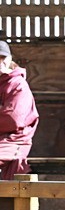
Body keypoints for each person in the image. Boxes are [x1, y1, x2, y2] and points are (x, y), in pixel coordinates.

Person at [0, 33, 39, 181]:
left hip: (14, 140)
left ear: (10, 59)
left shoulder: (18, 85)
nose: (0, 62)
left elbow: (12, 119)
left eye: (3, 58)